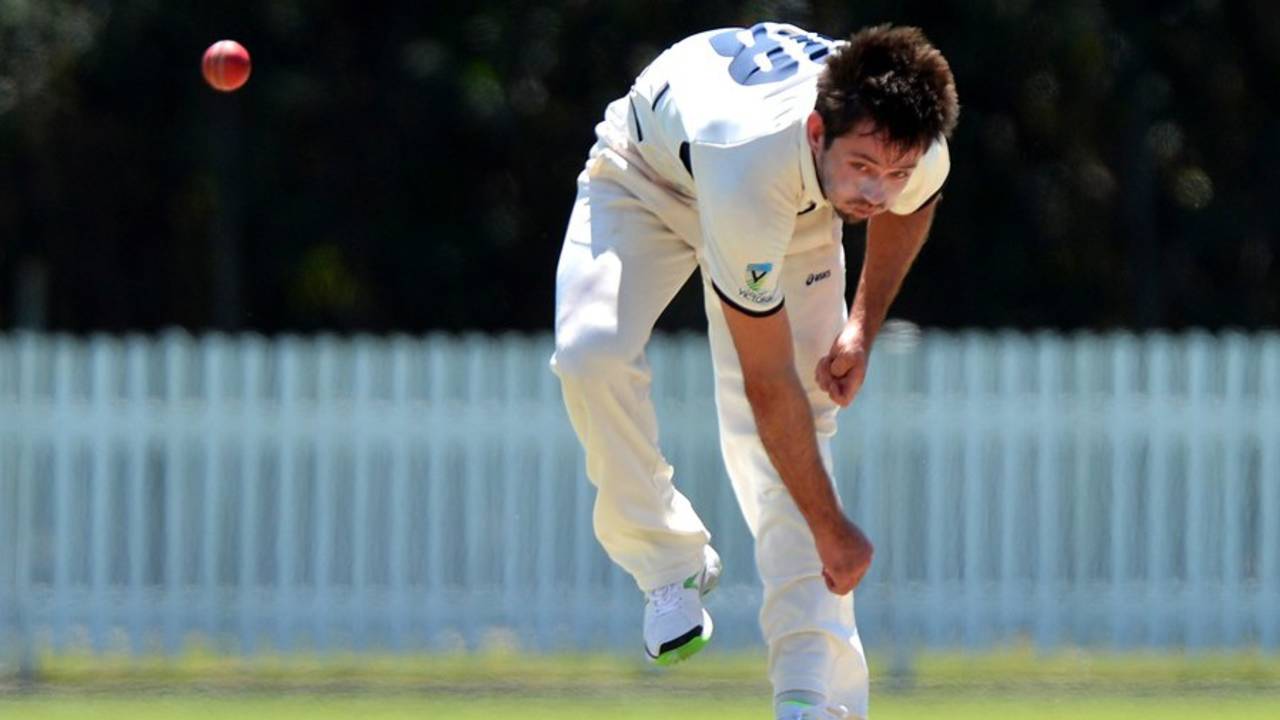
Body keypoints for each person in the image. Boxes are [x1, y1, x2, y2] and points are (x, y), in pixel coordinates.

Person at [550, 21, 959, 720]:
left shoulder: (909, 146)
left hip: (795, 208)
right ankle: (667, 564)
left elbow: (911, 205)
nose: (876, 189)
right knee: (591, 354)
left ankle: (814, 699)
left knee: (797, 444)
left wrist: (861, 326)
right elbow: (763, 387)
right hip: (648, 179)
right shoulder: (750, 159)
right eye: (862, 165)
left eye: (894, 171)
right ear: (815, 131)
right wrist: (833, 530)